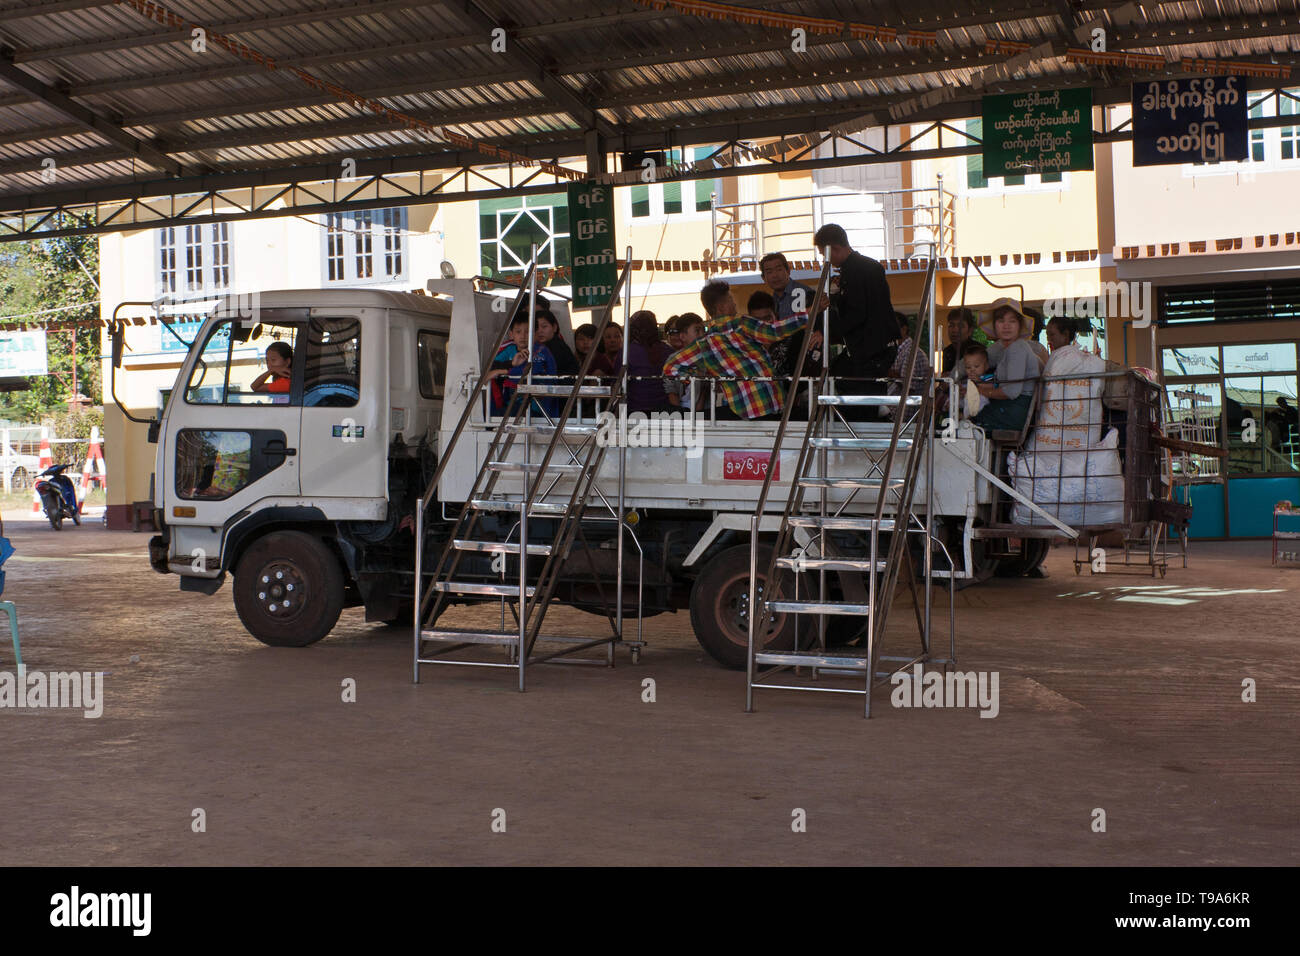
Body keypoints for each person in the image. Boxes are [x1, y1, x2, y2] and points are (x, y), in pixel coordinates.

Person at [663, 280, 817, 421]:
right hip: (769, 401)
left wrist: (704, 376)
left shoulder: (704, 343)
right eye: (731, 300)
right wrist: (808, 314)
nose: (735, 305)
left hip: (743, 410)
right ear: (722, 307)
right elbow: (774, 332)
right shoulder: (742, 324)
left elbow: (671, 367)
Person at [812, 223, 897, 397]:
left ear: (834, 249)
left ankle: (876, 412)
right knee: (839, 374)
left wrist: (827, 332)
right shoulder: (862, 268)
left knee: (856, 392)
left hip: (872, 348)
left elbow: (857, 312)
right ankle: (877, 409)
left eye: (824, 255)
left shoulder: (857, 270)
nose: (825, 260)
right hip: (872, 347)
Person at [973, 297, 1042, 432]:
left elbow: (1011, 392)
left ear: (1019, 325)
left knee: (966, 422)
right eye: (1001, 321)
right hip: (1010, 409)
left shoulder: (1017, 348)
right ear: (994, 325)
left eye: (1012, 321)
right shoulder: (1004, 348)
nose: (1006, 326)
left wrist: (979, 391)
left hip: (1015, 411)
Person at [489, 314, 559, 417]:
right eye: (518, 332)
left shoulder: (542, 352)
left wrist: (506, 371)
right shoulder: (509, 350)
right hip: (511, 402)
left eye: (527, 332)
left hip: (537, 405)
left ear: (535, 334)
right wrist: (507, 366)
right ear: (511, 334)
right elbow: (492, 366)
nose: (523, 336)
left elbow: (543, 373)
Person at [626, 310, 673, 413]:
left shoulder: (626, 353)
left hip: (634, 411)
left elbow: (618, 383)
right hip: (666, 412)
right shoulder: (669, 351)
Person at [887, 312, 931, 410]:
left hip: (905, 414)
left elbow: (908, 387)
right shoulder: (899, 350)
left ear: (904, 329)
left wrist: (888, 372)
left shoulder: (910, 352)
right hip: (897, 411)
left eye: (891, 326)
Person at [663, 313, 705, 410]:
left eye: (703, 330)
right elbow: (670, 390)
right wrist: (680, 414)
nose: (702, 334)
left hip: (705, 412)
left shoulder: (707, 356)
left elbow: (706, 388)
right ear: (683, 336)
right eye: (697, 330)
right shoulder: (673, 360)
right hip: (681, 413)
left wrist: (698, 413)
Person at [535, 309, 579, 376]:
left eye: (544, 326)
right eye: (536, 327)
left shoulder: (558, 347)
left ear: (554, 327)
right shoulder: (537, 347)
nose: (540, 331)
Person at [941, 308, 977, 383]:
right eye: (951, 325)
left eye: (960, 326)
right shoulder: (947, 351)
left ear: (970, 331)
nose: (955, 330)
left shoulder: (977, 351)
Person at [961, 342, 996, 418]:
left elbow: (992, 387)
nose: (972, 370)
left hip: (983, 409)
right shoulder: (966, 380)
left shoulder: (988, 377)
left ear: (986, 365)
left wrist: (979, 381)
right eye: (968, 367)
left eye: (976, 366)